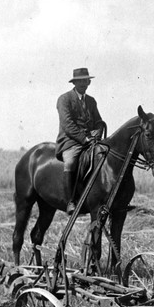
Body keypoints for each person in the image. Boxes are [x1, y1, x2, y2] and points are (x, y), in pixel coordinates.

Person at [55, 67, 104, 214]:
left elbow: (99, 121)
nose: (83, 83)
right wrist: (84, 139)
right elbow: (67, 124)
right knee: (71, 161)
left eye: (86, 80)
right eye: (80, 81)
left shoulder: (91, 101)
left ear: (89, 82)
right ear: (74, 83)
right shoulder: (64, 99)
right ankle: (71, 200)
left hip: (91, 140)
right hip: (70, 141)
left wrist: (99, 130)